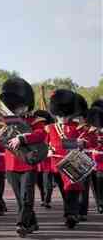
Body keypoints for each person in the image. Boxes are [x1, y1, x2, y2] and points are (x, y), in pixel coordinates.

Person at [0, 78, 47, 237]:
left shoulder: (35, 120)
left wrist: (23, 138)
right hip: (11, 163)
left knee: (26, 196)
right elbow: (3, 142)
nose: (20, 109)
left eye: (22, 106)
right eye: (17, 106)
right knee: (20, 197)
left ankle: (22, 223)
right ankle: (32, 222)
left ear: (27, 105)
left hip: (28, 163)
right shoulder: (7, 121)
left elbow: (40, 135)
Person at [45, 90, 91, 228]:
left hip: (73, 162)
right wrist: (47, 149)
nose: (63, 118)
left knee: (72, 188)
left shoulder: (77, 127)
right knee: (65, 190)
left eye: (64, 115)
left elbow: (89, 140)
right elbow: (45, 143)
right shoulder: (50, 128)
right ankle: (71, 211)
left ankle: (70, 215)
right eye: (60, 115)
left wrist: (82, 142)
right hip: (56, 164)